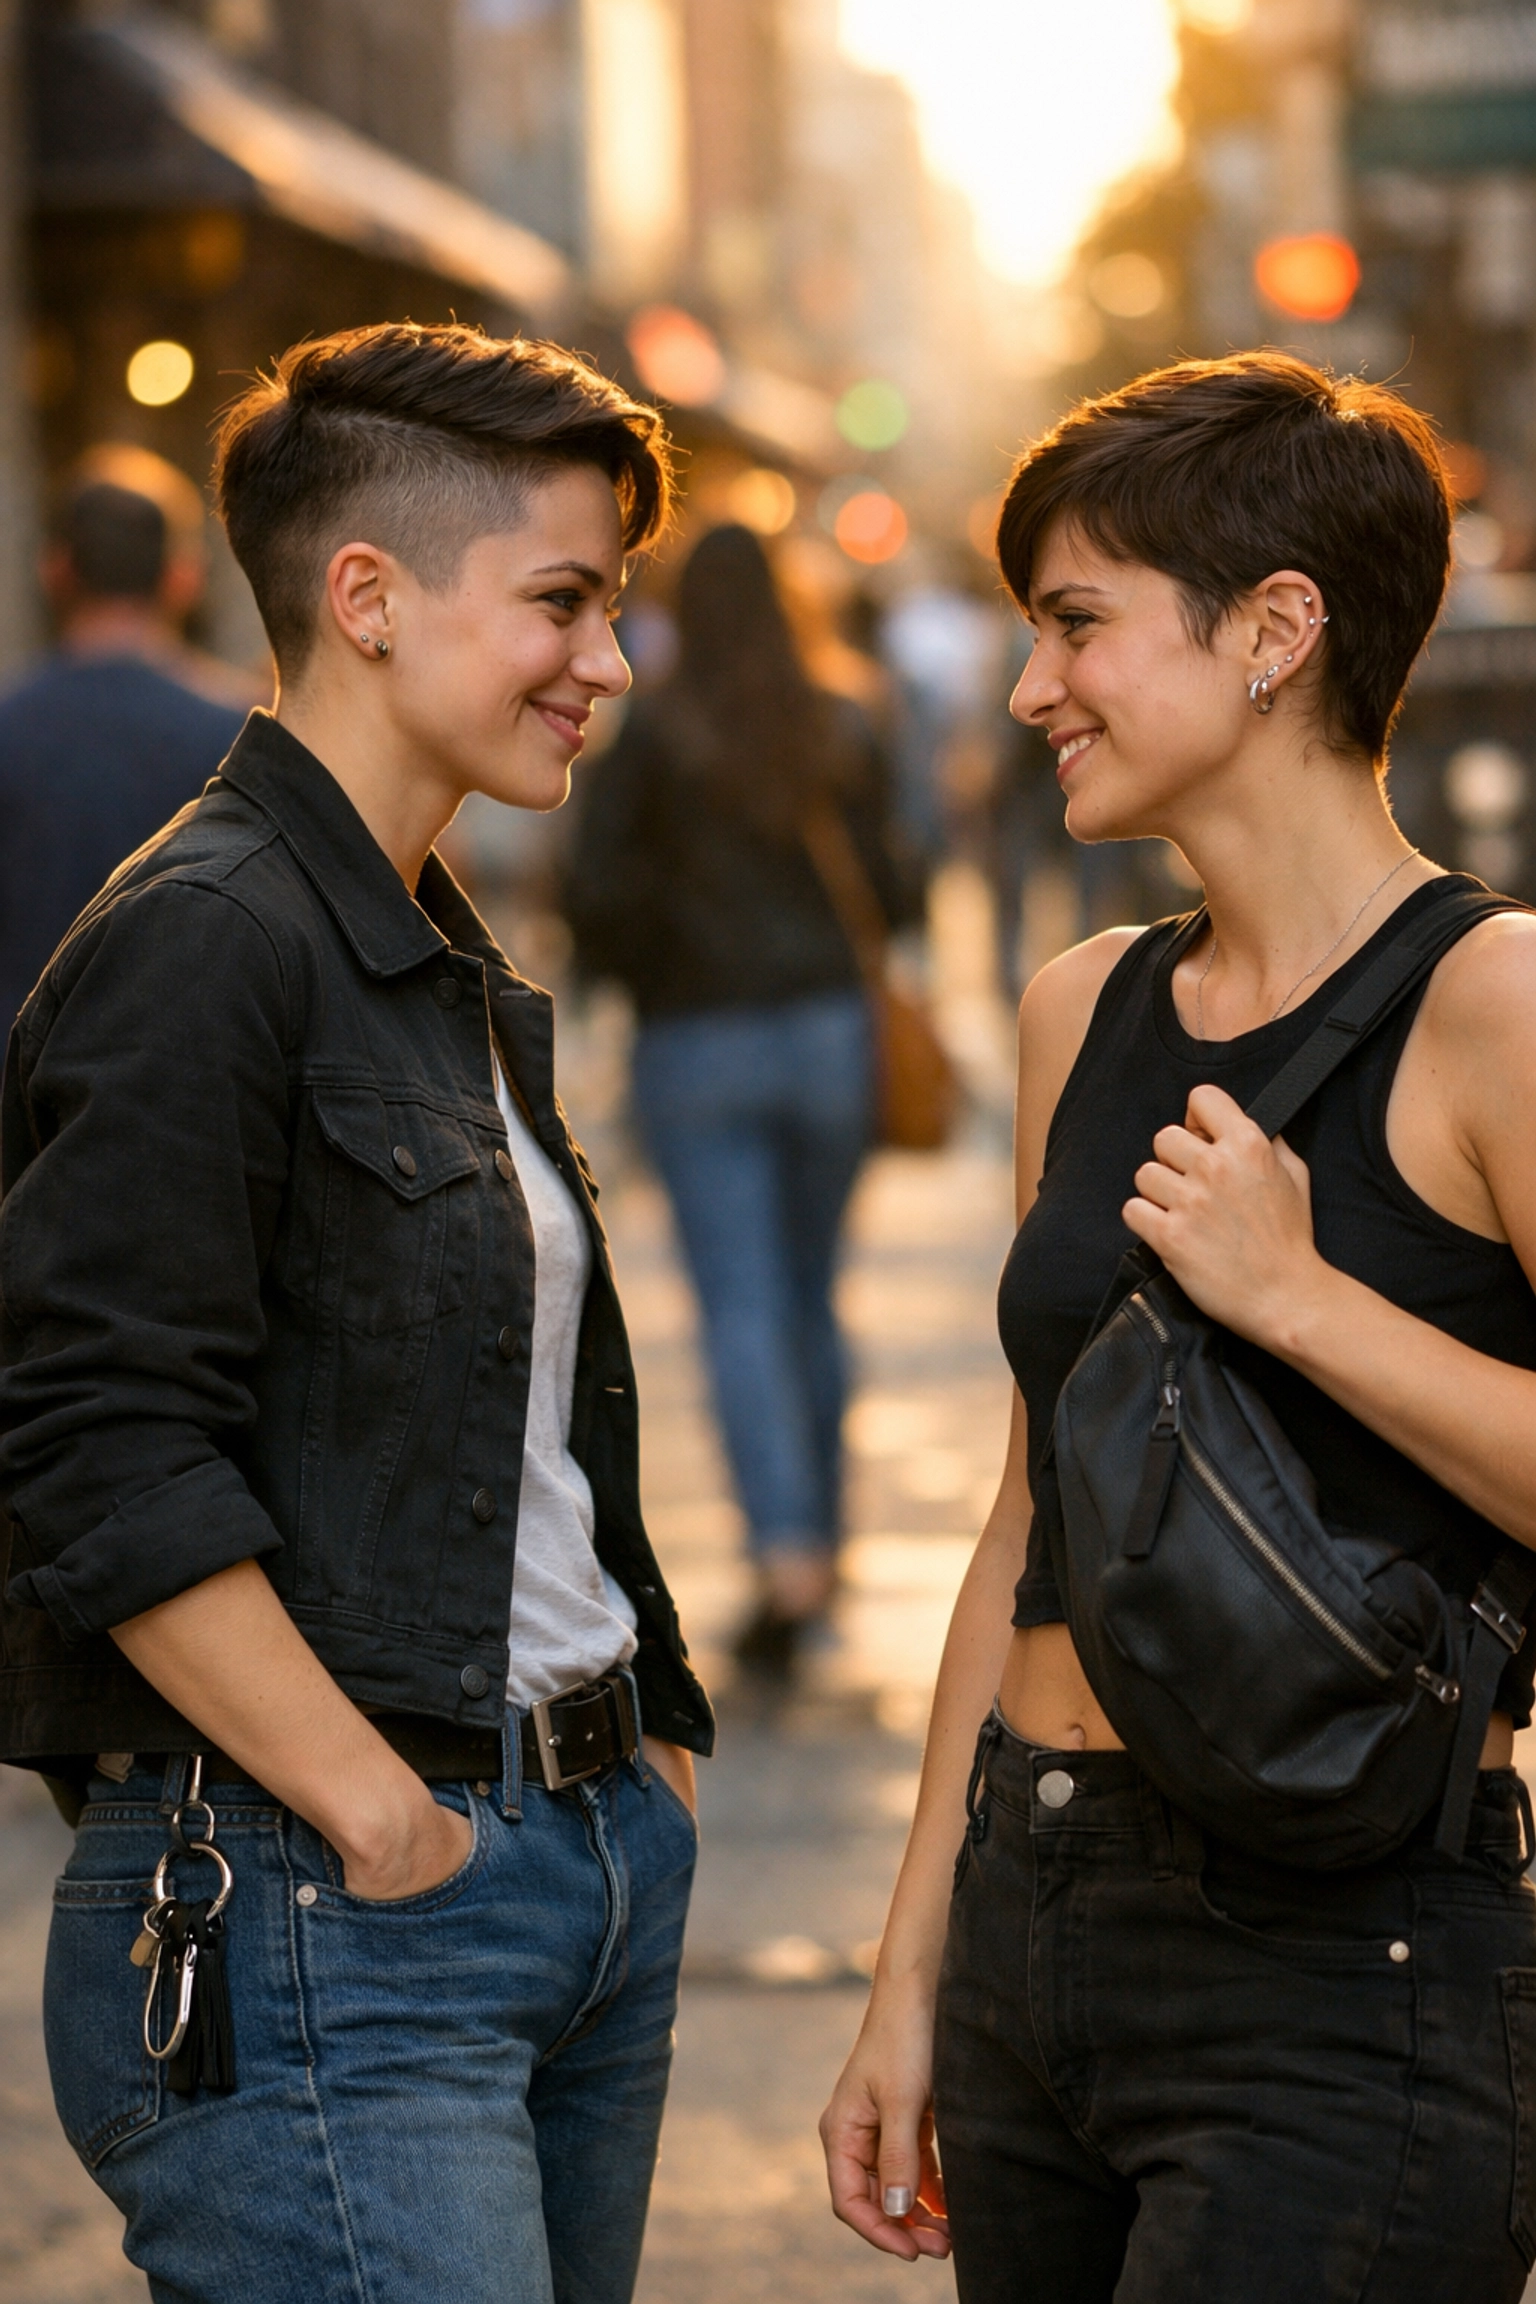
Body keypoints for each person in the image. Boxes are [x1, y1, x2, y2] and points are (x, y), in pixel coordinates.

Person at [0, 321, 712, 2304]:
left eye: (620, 607)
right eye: (562, 602)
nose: (609, 663)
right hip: (340, 1906)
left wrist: (639, 1756)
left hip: (564, 1872)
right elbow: (99, 1450)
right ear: (369, 597)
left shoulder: (421, 944)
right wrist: (381, 1820)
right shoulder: (207, 939)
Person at [820, 353, 1536, 2301]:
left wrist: (1301, 1302)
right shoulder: (1083, 1005)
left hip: (1340, 1958)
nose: (1031, 684)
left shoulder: (1494, 1005)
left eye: (1075, 624)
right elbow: (1029, 1512)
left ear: (1276, 633)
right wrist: (917, 1973)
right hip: (1036, 1916)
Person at [566, 523, 919, 1671]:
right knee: (813, 1295)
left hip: (697, 1041)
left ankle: (785, 1549)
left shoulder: (654, 733)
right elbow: (904, 880)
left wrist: (655, 957)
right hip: (824, 1033)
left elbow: (593, 890)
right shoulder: (840, 719)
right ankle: (822, 1535)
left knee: (742, 1303)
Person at [0, 446, 263, 1031]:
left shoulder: (8, 728)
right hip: (194, 1089)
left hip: (16, 1096)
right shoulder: (245, 737)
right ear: (183, 576)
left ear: (55, 569)